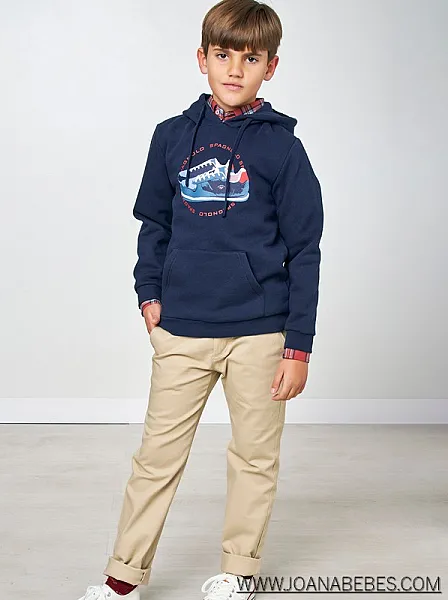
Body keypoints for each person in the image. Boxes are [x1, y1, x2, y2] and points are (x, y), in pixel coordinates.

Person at [78, 0, 323, 598]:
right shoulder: (171, 136)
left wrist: (298, 346)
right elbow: (154, 224)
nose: (235, 69)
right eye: (223, 55)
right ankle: (122, 577)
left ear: (271, 67)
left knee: (254, 458)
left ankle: (238, 572)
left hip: (260, 333)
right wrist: (149, 294)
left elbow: (306, 250)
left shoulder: (282, 149)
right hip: (183, 328)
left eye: (251, 58)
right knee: (156, 459)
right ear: (202, 58)